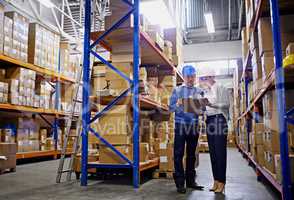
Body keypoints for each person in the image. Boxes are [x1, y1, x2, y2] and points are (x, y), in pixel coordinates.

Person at [169, 65, 205, 194]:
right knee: (178, 154)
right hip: (180, 126)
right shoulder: (177, 91)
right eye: (188, 76)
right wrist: (177, 104)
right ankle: (180, 182)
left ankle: (191, 181)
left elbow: (203, 110)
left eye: (193, 76)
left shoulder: (200, 91)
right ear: (184, 77)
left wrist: (201, 108)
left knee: (191, 154)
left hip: (194, 126)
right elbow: (170, 108)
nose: (191, 79)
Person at [199, 72, 230, 194]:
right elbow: (205, 108)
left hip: (219, 120)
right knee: (213, 153)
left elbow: (226, 105)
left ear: (211, 77)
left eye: (205, 78)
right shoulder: (206, 92)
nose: (204, 81)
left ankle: (222, 182)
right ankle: (216, 180)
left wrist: (211, 104)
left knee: (220, 152)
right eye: (203, 79)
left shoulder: (221, 87)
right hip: (210, 120)